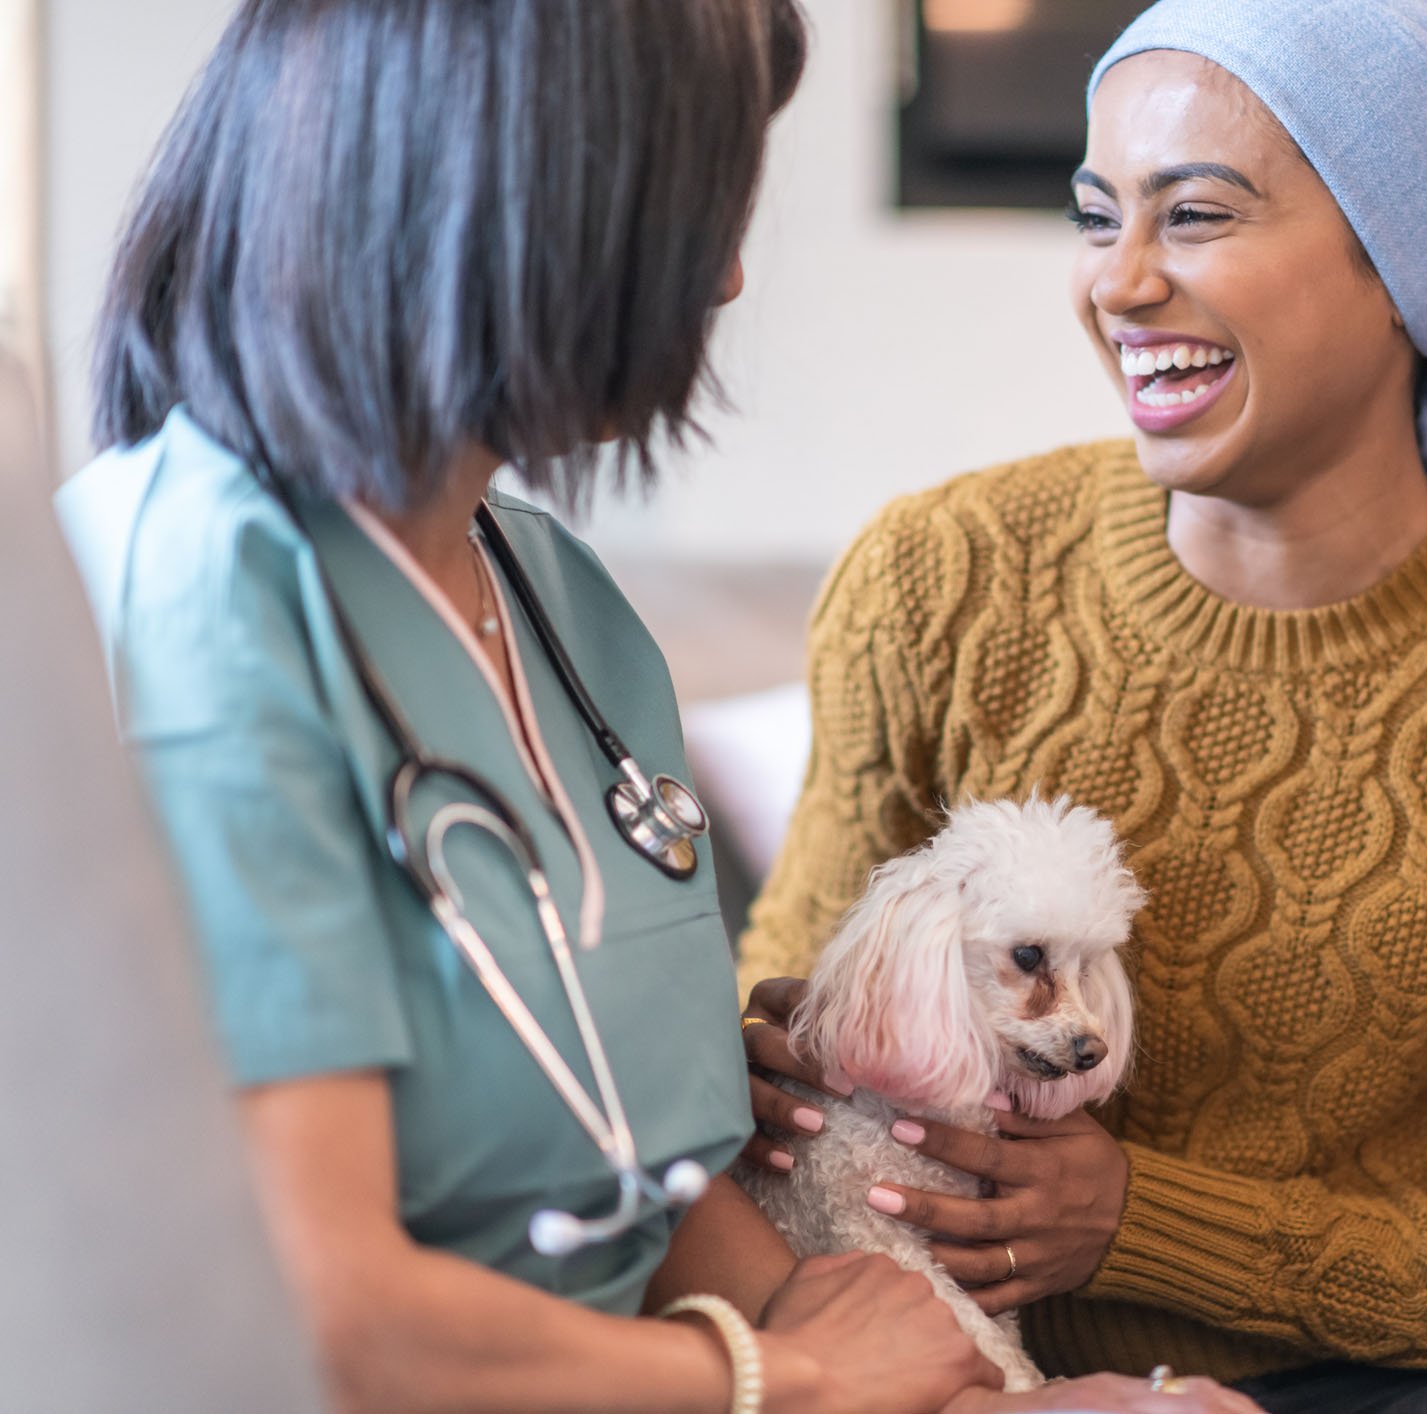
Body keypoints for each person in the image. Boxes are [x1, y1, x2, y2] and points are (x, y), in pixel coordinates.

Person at [57, 3, 1258, 1412]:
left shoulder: (562, 603)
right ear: (524, 197)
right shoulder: (192, 601)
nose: (736, 276)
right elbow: (324, 1315)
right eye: (703, 212)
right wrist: (781, 1374)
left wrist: (992, 1402)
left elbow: (638, 1178)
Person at [737, 2, 1427, 1411]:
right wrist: (753, 1054)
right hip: (968, 1373)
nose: (1121, 281)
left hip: (1388, 1380)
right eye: (1097, 218)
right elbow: (795, 1013)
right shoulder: (935, 574)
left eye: (1198, 215)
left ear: (1414, 266)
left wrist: (1140, 1217)